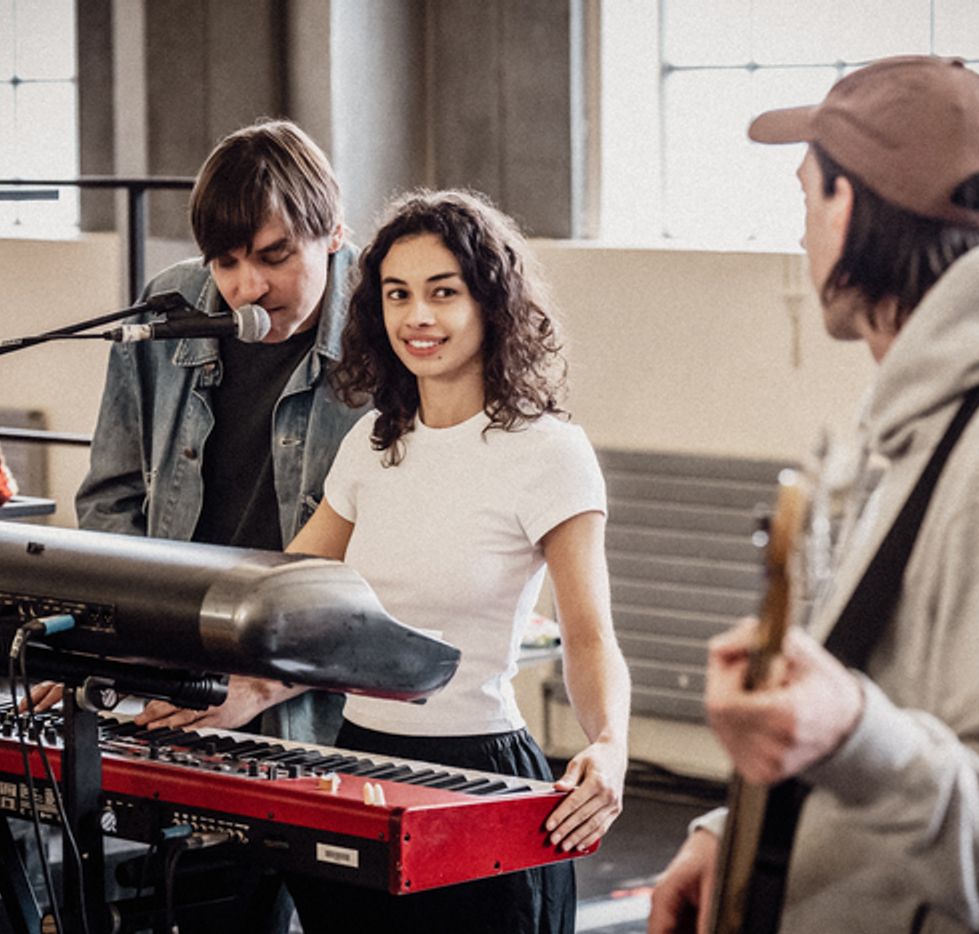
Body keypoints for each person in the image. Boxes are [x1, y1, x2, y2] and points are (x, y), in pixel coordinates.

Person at [648, 56, 979, 934]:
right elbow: (891, 697)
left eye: (805, 197)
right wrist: (739, 833)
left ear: (845, 205)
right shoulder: (945, 418)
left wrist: (848, 731)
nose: (802, 235)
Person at [165, 188, 630, 932]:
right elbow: (285, 602)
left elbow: (589, 634)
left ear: (490, 304)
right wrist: (198, 681)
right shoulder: (373, 442)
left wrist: (610, 746)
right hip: (359, 766)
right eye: (397, 294)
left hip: (480, 775)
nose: (417, 316)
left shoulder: (550, 453)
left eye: (443, 293)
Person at [60, 119, 362, 745]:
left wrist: (263, 681)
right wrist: (116, 646)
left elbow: (395, 563)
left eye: (275, 256)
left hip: (320, 694)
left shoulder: (388, 325)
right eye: (226, 262)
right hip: (181, 664)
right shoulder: (172, 303)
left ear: (334, 231)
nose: (248, 288)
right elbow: (111, 498)